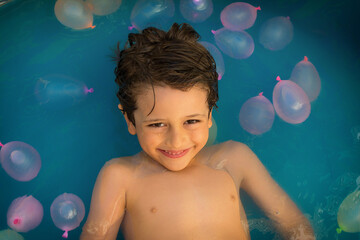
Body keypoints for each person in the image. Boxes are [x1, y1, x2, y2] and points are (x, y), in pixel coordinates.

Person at [80, 23, 315, 240]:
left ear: (210, 114)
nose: (177, 140)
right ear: (130, 120)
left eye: (191, 121)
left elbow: (293, 222)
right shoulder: (121, 176)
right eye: (157, 124)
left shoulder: (234, 158)